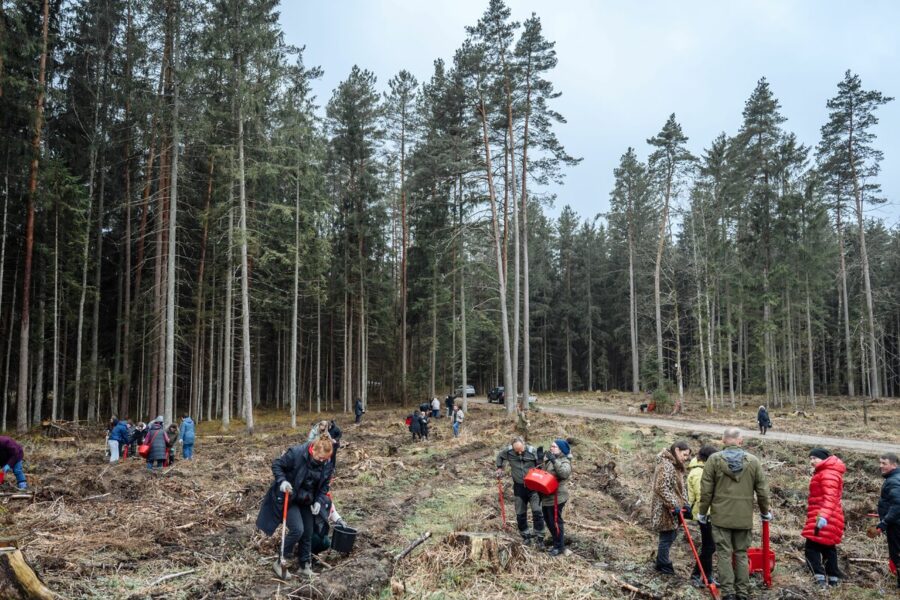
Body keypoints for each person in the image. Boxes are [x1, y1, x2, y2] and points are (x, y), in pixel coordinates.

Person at [698, 428, 771, 600]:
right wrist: (765, 512)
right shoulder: (753, 462)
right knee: (741, 553)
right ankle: (742, 593)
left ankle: (728, 593)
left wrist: (702, 512)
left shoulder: (713, 460)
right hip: (743, 517)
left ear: (723, 440)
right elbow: (762, 492)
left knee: (723, 553)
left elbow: (706, 491)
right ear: (740, 441)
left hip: (720, 516)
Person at [256, 437, 335, 579]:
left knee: (308, 532)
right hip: (290, 497)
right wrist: (282, 481)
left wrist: (318, 501)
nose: (322, 461)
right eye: (320, 458)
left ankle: (304, 566)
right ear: (313, 450)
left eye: (325, 459)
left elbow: (324, 485)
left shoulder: (327, 462)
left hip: (307, 500)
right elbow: (277, 465)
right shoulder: (297, 453)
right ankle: (280, 562)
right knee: (298, 529)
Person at [801, 448, 846, 589]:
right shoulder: (828, 472)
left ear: (824, 459)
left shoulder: (827, 474)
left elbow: (830, 498)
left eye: (815, 458)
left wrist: (823, 516)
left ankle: (819, 578)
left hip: (824, 516)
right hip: (829, 516)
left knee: (811, 548)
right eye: (810, 458)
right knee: (828, 547)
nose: (812, 461)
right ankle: (833, 579)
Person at [650, 440, 691, 575]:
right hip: (664, 508)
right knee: (667, 536)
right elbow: (660, 488)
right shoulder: (665, 465)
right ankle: (663, 565)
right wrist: (674, 504)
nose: (686, 458)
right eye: (684, 455)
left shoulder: (676, 466)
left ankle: (661, 562)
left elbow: (680, 489)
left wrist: (686, 504)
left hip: (674, 507)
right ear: (677, 450)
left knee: (671, 535)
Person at [496, 437, 545, 544]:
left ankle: (539, 537)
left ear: (524, 444)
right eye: (516, 450)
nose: (519, 452)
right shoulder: (508, 451)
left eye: (521, 450)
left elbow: (542, 467)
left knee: (537, 512)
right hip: (519, 487)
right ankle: (525, 535)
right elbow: (500, 456)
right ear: (512, 447)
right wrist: (499, 467)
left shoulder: (532, 451)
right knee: (520, 513)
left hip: (533, 487)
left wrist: (540, 462)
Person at [687, 445, 718, 587]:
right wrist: (707, 513)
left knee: (709, 546)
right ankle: (696, 575)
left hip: (707, 513)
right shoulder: (699, 472)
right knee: (710, 546)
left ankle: (708, 576)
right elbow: (702, 496)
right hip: (704, 514)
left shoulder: (703, 469)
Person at [540, 439, 572, 556]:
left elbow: (564, 474)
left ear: (561, 449)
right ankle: (555, 543)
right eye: (551, 446)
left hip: (557, 497)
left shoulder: (565, 461)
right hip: (547, 496)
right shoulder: (549, 460)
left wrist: (554, 460)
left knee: (556, 522)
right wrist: (539, 460)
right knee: (549, 521)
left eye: (554, 447)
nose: (551, 448)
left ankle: (559, 547)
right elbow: (544, 475)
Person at [874, 452, 900, 590]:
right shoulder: (895, 478)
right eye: (880, 463)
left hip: (896, 525)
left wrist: (884, 522)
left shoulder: (893, 481)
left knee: (897, 555)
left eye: (884, 463)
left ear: (894, 465)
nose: (881, 466)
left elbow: (898, 505)